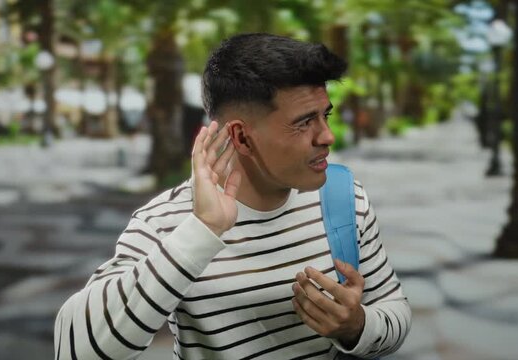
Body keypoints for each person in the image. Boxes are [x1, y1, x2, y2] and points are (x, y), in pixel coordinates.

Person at [54, 33, 411, 359]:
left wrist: (358, 327)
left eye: (325, 116)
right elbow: (76, 350)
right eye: (304, 122)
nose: (327, 136)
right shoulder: (166, 222)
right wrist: (202, 231)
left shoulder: (344, 197)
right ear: (241, 138)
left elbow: (393, 308)